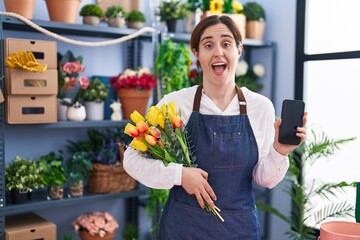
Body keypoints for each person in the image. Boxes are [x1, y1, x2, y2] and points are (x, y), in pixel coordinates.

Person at [123, 15, 307, 240]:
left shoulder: (260, 107)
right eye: (208, 45)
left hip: (239, 229)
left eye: (226, 43)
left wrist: (279, 151)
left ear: (239, 50)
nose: (218, 52)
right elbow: (131, 159)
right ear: (196, 54)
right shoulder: (176, 104)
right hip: (183, 229)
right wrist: (180, 174)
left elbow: (264, 179)